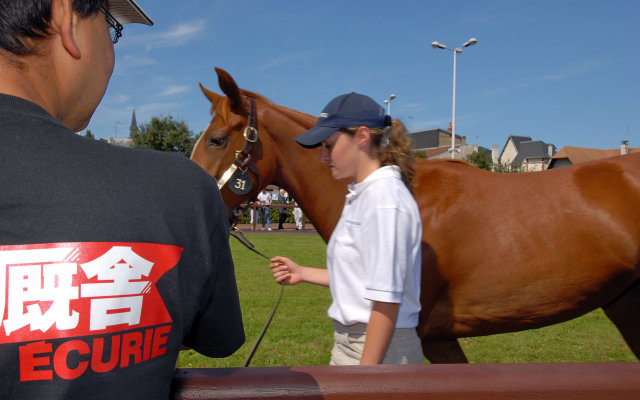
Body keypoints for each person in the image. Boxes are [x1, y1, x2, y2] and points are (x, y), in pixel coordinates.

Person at [0, 1, 244, 399]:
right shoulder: (175, 191)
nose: (113, 54)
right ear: (67, 18)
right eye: (112, 27)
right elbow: (215, 338)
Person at [269, 92, 422, 365]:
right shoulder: (364, 194)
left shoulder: (384, 200)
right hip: (356, 343)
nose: (323, 157)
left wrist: (365, 379)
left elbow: (385, 301)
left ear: (362, 136)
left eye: (328, 146)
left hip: (378, 348)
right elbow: (363, 278)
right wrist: (303, 273)